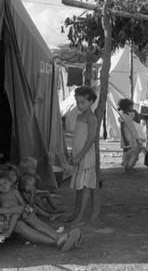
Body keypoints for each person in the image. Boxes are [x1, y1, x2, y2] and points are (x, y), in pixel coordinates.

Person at [0, 138, 81, 251]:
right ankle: (57, 241)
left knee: (27, 213)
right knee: (18, 225)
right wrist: (10, 209)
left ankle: (58, 236)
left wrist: (22, 203)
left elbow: (10, 186)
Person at [64, 86, 101, 227]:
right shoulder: (80, 116)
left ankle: (80, 217)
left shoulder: (91, 118)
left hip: (86, 158)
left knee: (85, 187)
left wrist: (80, 155)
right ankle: (75, 213)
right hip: (78, 157)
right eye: (78, 102)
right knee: (79, 187)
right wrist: (74, 154)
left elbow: (91, 138)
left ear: (91, 101)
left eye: (82, 102)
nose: (79, 105)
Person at [0, 172, 32, 237]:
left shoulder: (14, 191)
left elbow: (22, 202)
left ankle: (9, 232)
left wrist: (23, 212)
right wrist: (0, 215)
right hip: (4, 213)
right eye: (0, 185)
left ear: (10, 183)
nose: (3, 186)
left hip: (15, 212)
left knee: (15, 215)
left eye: (5, 183)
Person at [118, 98, 143, 173]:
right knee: (128, 151)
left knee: (135, 150)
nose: (132, 108)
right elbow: (122, 129)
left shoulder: (130, 115)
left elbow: (138, 121)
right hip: (127, 136)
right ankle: (128, 166)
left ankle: (130, 166)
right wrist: (125, 139)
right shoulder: (123, 117)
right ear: (127, 107)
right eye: (131, 107)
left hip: (133, 135)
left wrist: (136, 113)